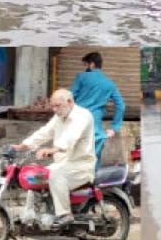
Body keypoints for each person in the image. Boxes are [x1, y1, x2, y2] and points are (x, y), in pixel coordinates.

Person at [10, 89, 96, 228]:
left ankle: (65, 214)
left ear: (69, 102)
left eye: (58, 105)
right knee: (35, 177)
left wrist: (52, 150)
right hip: (62, 164)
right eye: (53, 106)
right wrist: (23, 146)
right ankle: (30, 214)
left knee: (55, 176)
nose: (55, 109)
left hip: (81, 166)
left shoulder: (83, 116)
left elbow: (71, 138)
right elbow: (45, 132)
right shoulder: (59, 116)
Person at [70, 52, 125, 169]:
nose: (84, 68)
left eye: (85, 65)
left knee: (75, 161)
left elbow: (69, 98)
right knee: (94, 162)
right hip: (96, 130)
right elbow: (121, 105)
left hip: (76, 125)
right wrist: (114, 127)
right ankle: (92, 185)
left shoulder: (81, 77)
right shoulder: (109, 83)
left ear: (92, 64)